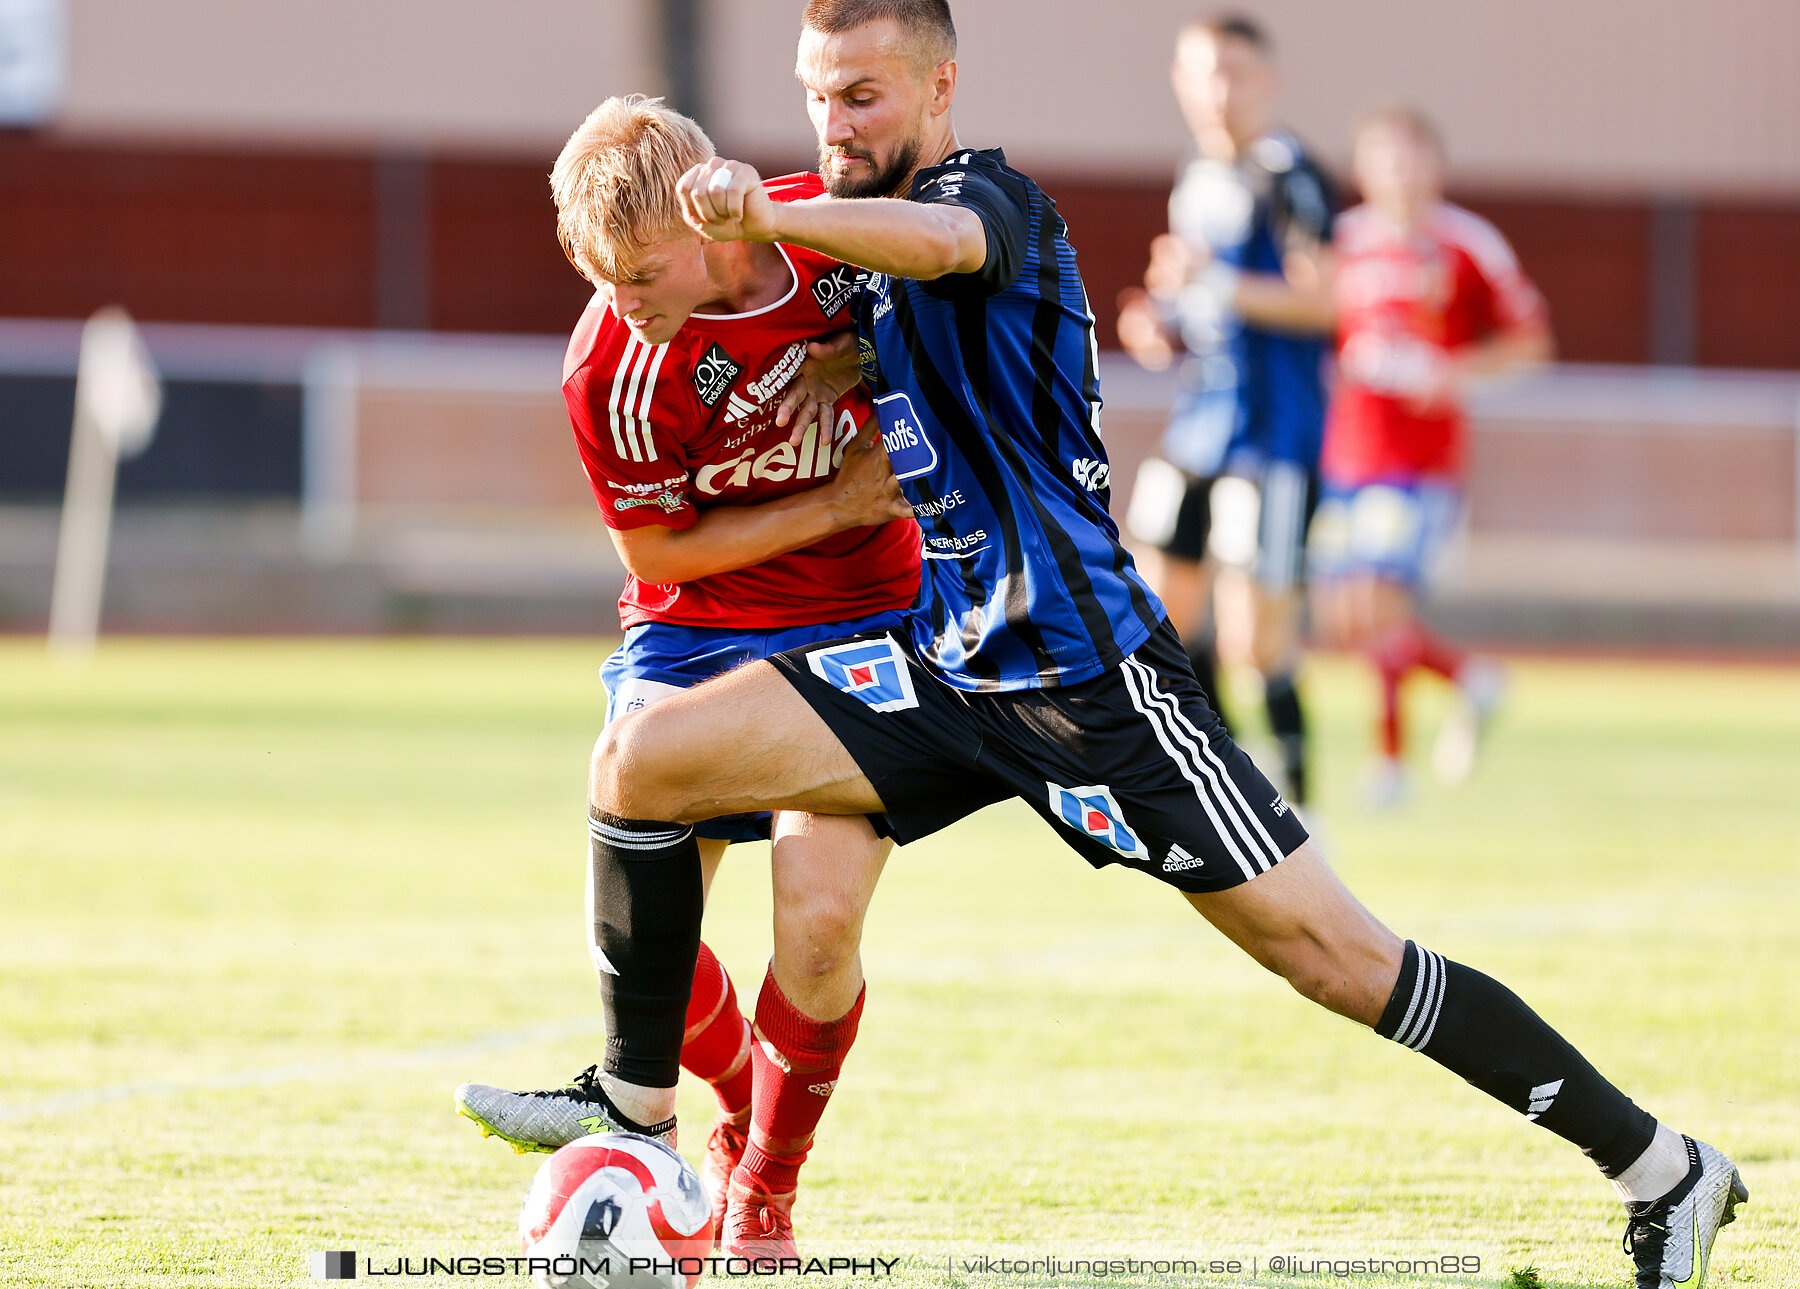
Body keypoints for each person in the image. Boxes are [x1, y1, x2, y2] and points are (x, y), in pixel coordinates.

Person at [523, 4, 1747, 1284]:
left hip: (1091, 679)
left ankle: (1664, 1166)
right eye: (820, 97)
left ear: (943, 85)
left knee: (1340, 960)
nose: (838, 125)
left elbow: (943, 244)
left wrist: (769, 221)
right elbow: (854, 315)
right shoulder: (851, 255)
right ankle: (642, 1115)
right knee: (638, 765)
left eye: (867, 95)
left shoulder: (986, 199)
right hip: (949, 667)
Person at [450, 94, 918, 1257]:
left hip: (865, 617)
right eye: (601, 273)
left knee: (816, 920)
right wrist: (839, 499)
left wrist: (877, 350)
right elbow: (656, 556)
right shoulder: (609, 363)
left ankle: (761, 1184)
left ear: (711, 221)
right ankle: (693, 1110)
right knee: (647, 922)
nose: (625, 301)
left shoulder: (839, 244)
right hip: (696, 628)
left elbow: (970, 305)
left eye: (646, 272)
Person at [1116, 14, 1336, 810]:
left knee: (1257, 642)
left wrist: (1216, 284)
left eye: (1236, 73)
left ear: (1268, 80)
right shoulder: (1195, 175)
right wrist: (1159, 318)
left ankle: (1303, 805)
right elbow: (1193, 295)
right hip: (1199, 426)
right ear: (1180, 81)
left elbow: (1327, 300)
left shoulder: (1290, 173)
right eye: (1204, 72)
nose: (1219, 91)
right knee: (1157, 613)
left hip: (1274, 437)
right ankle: (1225, 783)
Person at [1311, 105, 1552, 805]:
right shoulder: (1341, 242)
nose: (1399, 171)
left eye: (1411, 155)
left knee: (1379, 599)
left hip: (1419, 459)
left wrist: (1453, 374)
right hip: (1345, 452)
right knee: (1340, 612)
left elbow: (1530, 343)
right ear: (1362, 169)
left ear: (1435, 165)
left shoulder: (1468, 243)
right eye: (1384, 157)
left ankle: (1389, 767)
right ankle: (1469, 678)